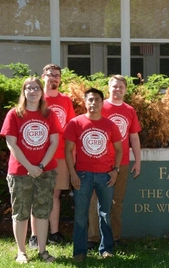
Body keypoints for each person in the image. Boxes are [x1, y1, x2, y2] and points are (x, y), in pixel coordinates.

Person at [0, 77, 62, 263]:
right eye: (29, 88)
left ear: (42, 92)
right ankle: (21, 252)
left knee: (42, 211)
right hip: (20, 172)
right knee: (21, 212)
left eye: (37, 88)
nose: (33, 91)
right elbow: (11, 144)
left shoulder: (49, 114)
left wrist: (41, 166)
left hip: (45, 171)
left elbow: (54, 142)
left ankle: (42, 251)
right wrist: (29, 167)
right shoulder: (14, 114)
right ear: (24, 92)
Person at [64, 88, 123, 262]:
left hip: (105, 175)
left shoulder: (110, 124)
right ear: (85, 102)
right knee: (81, 214)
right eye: (90, 100)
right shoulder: (75, 123)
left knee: (105, 213)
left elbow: (119, 149)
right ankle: (80, 251)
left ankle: (106, 249)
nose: (93, 103)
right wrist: (72, 173)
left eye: (97, 100)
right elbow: (67, 150)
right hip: (83, 175)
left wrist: (116, 170)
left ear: (102, 103)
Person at [88, 75, 141, 248]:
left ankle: (114, 237)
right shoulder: (100, 107)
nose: (117, 89)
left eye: (121, 87)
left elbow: (133, 136)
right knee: (94, 201)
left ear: (125, 90)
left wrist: (138, 160)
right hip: (99, 162)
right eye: (114, 86)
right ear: (108, 88)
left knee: (116, 202)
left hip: (122, 162)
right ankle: (93, 238)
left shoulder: (129, 110)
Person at [28, 64, 76, 248]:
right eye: (50, 75)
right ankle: (34, 236)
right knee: (38, 195)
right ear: (43, 76)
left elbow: (71, 128)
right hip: (39, 155)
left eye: (57, 75)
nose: (54, 78)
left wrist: (74, 153)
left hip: (61, 155)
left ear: (60, 79)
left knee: (55, 194)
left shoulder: (66, 100)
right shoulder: (38, 99)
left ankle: (54, 233)